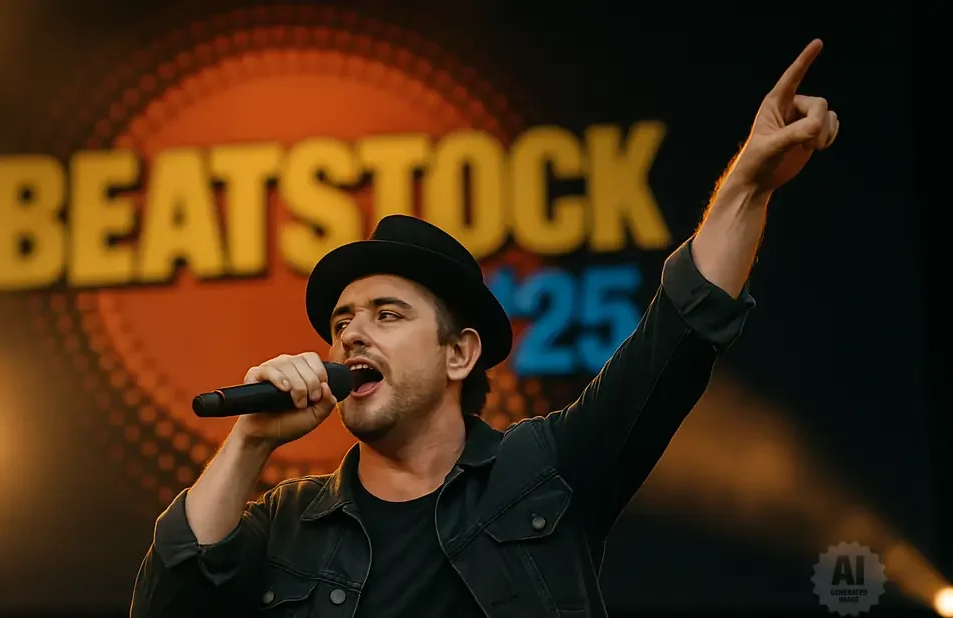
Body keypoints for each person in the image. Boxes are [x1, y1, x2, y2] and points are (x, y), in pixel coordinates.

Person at [130, 39, 838, 617]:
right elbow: (171, 598)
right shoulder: (286, 526)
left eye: (387, 314)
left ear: (460, 353)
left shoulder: (548, 471)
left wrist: (748, 185)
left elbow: (679, 332)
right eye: (341, 321)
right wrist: (249, 441)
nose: (350, 335)